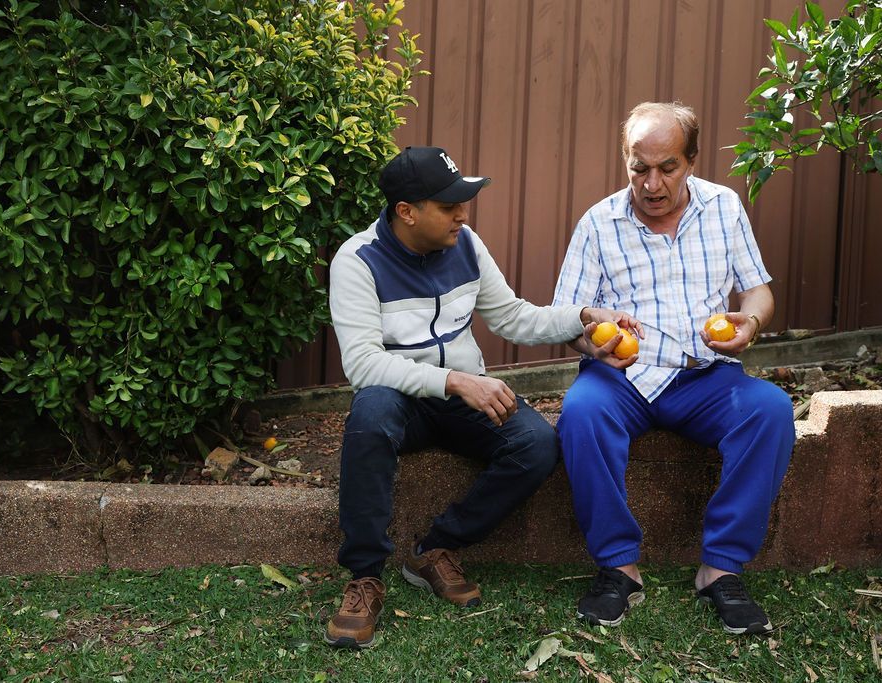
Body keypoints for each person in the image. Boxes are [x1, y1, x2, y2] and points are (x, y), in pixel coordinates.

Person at [324, 145, 630, 649]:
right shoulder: (357, 261)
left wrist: (584, 316)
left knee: (535, 444)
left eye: (462, 202)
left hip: (461, 396)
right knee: (370, 415)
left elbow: (512, 316)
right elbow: (362, 363)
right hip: (402, 397)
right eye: (448, 206)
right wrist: (456, 381)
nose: (462, 214)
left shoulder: (465, 244)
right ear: (407, 212)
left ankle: (436, 548)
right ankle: (364, 576)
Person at [552, 102, 795, 635]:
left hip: (705, 375)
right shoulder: (598, 223)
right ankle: (618, 567)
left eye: (668, 167)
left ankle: (721, 568)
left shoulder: (724, 207)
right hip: (622, 378)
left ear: (691, 161)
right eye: (640, 168)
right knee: (581, 413)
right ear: (625, 161)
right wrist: (593, 339)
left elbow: (757, 288)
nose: (652, 183)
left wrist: (749, 324)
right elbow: (566, 314)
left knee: (771, 411)